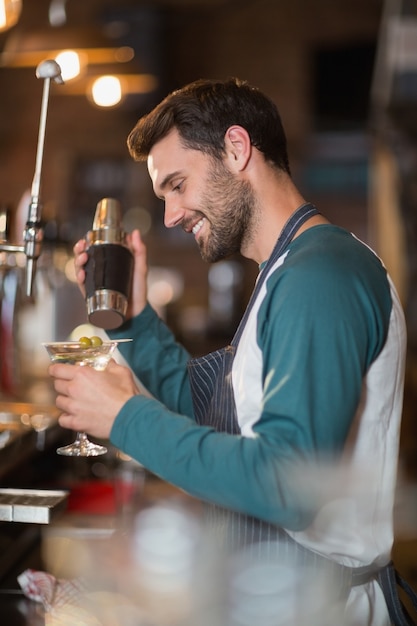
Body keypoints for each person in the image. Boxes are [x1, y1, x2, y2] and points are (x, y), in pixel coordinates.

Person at [49, 78, 415, 624]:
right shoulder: (287, 272)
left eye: (177, 185)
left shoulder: (320, 277)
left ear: (237, 149)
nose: (170, 215)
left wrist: (125, 417)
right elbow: (213, 413)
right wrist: (136, 319)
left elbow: (286, 482)